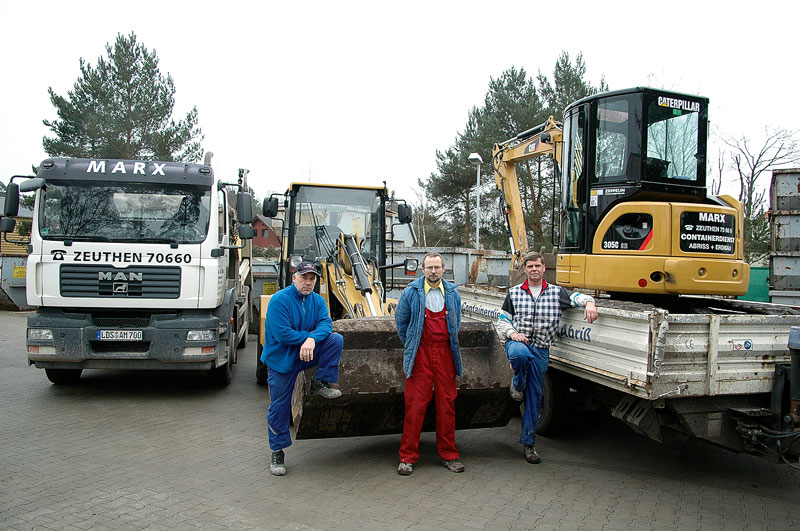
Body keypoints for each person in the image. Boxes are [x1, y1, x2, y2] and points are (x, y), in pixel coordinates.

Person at [495, 251, 598, 464]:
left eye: (537, 266)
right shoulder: (514, 293)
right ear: (524, 269)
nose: (534, 269)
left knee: (535, 397)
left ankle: (529, 444)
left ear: (544, 269)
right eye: (530, 266)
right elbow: (503, 320)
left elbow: (578, 298)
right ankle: (517, 383)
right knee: (519, 355)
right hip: (519, 343)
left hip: (541, 350)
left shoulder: (557, 293)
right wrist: (512, 333)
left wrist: (590, 303)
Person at [261, 261, 344, 476]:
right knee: (279, 406)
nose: (308, 282)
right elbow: (282, 334)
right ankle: (277, 450)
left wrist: (312, 340)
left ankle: (320, 382)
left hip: (305, 353)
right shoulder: (280, 300)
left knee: (335, 340)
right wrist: (308, 339)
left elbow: (326, 324)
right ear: (294, 278)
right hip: (282, 360)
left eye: (312, 279)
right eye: (304, 277)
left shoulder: (317, 301)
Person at [394, 253, 464, 476]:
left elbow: (457, 323)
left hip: (445, 354)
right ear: (422, 269)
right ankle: (407, 457)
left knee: (447, 406)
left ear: (444, 269)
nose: (433, 271)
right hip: (421, 354)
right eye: (429, 267)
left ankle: (449, 455)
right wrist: (415, 344)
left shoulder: (453, 294)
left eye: (437, 267)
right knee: (415, 406)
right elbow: (401, 323)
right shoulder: (411, 293)